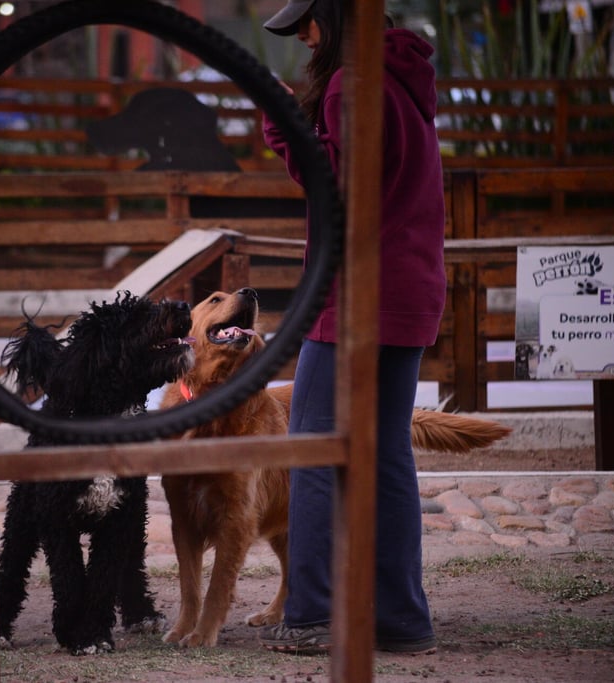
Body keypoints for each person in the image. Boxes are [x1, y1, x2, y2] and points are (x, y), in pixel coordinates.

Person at [258, 0, 446, 655]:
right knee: (386, 449)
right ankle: (399, 617)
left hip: (359, 292)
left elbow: (337, 192)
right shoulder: (401, 80)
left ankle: (313, 612)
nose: (304, 38)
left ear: (333, 17)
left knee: (310, 446)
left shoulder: (350, 84)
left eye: (307, 23)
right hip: (409, 290)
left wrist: (284, 125)